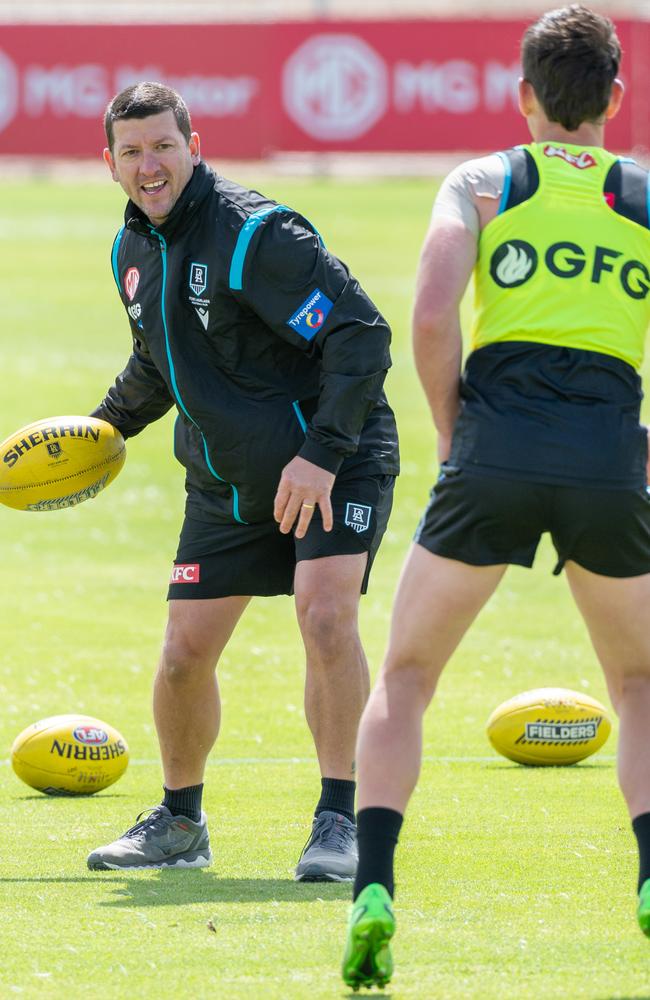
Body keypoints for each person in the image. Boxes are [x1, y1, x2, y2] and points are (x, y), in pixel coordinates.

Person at [340, 4, 650, 989]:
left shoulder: (482, 180)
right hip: (609, 452)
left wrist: (450, 429)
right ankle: (647, 876)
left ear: (523, 98)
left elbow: (432, 312)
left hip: (493, 447)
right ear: (612, 97)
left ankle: (373, 886)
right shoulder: (642, 195)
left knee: (405, 677)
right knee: (639, 685)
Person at [85, 82, 399, 880]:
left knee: (325, 617)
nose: (149, 165)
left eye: (163, 146)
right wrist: (100, 433)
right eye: (132, 152)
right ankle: (181, 825)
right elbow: (162, 361)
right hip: (224, 478)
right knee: (185, 655)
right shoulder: (132, 250)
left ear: (194, 143)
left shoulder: (259, 235)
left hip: (332, 459)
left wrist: (324, 452)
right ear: (111, 163)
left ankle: (340, 823)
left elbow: (360, 336)